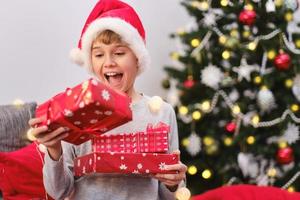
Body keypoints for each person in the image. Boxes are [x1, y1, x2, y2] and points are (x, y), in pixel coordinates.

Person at [29, 0, 187, 199]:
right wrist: (53, 150)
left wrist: (174, 184)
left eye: (119, 53)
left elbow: (169, 196)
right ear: (90, 61)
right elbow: (59, 192)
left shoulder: (161, 112)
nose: (109, 63)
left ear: (137, 58)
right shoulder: (76, 112)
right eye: (98, 55)